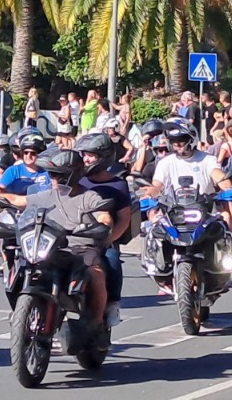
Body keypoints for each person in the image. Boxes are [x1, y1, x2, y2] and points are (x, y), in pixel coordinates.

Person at [19, 150, 114, 328]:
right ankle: (25, 313)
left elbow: (104, 215)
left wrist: (103, 224)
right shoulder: (46, 195)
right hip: (51, 246)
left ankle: (98, 320)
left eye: (58, 174)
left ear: (71, 175)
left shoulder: (88, 196)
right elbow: (18, 201)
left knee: (96, 272)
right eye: (51, 174)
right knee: (22, 262)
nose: (53, 178)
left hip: (81, 248)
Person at [74, 134, 130, 327]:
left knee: (113, 261)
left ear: (104, 157)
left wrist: (108, 239)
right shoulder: (76, 180)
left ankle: (112, 303)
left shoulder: (118, 184)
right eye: (84, 155)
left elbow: (124, 219)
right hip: (73, 238)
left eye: (91, 155)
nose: (85, 159)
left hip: (103, 239)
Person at [147, 120, 232, 229]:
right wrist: (148, 196)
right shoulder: (165, 162)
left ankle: (228, 245)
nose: (177, 144)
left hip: (206, 209)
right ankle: (154, 246)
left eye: (181, 140)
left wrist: (229, 188)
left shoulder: (207, 159)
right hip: (173, 209)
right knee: (154, 222)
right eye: (173, 140)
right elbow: (156, 185)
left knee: (225, 217)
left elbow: (219, 177)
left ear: (191, 139)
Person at [0, 131, 50, 206]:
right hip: (15, 211)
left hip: (42, 210)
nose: (28, 156)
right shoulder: (13, 171)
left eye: (33, 153)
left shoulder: (48, 172)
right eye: (26, 153)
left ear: (40, 154)